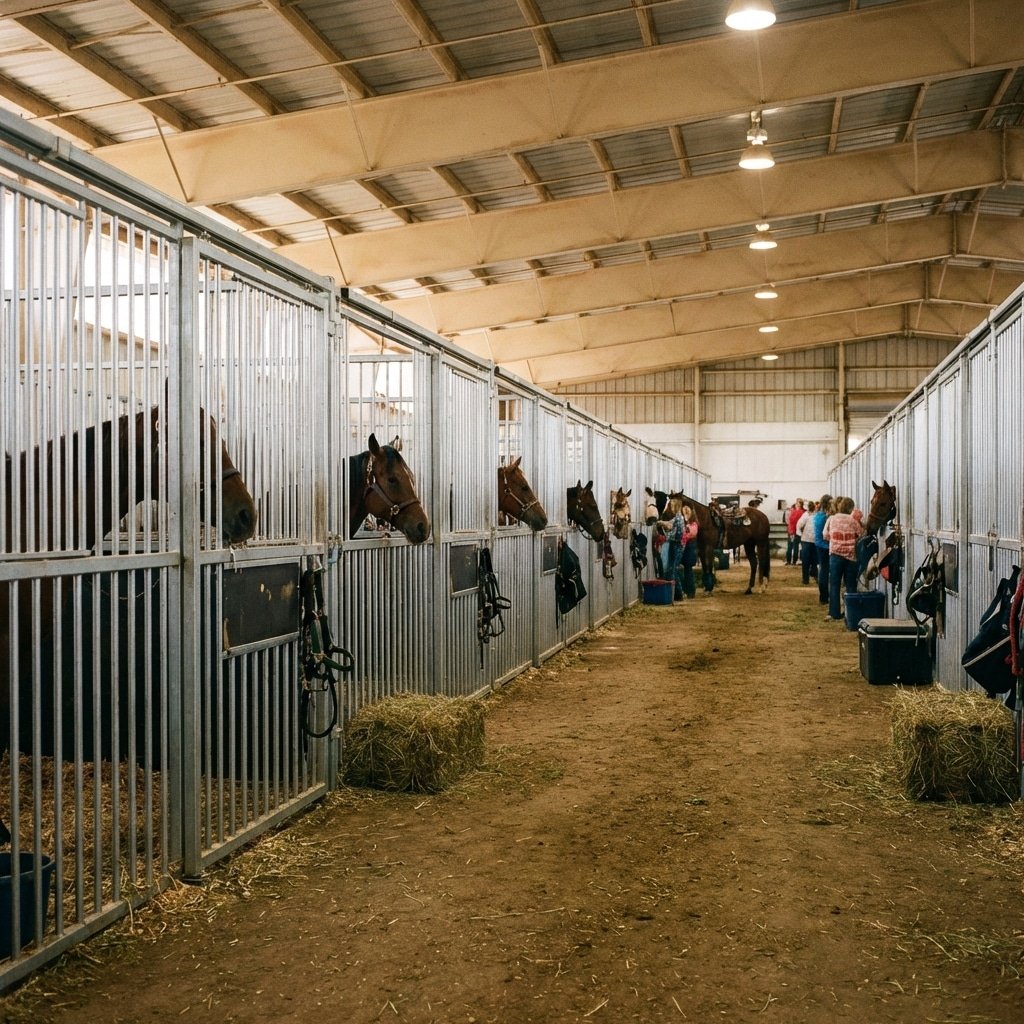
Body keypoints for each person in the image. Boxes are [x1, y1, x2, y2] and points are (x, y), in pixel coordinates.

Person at [823, 495, 864, 621]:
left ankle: (834, 613)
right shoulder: (853, 520)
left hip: (835, 555)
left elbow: (825, 535)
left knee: (835, 584)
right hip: (851, 556)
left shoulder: (832, 519)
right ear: (851, 508)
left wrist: (834, 541)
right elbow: (861, 534)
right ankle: (850, 614)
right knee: (850, 585)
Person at [658, 498, 686, 599]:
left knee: (673, 569)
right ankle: (678, 593)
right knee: (673, 569)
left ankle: (675, 594)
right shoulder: (679, 517)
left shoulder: (678, 518)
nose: (670, 508)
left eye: (671, 506)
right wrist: (661, 522)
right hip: (678, 545)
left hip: (676, 545)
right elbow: (670, 523)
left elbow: (671, 527)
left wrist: (660, 523)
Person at [813, 494, 833, 606]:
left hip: (819, 545)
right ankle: (826, 596)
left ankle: (823, 597)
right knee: (826, 571)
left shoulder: (817, 515)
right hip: (826, 545)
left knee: (823, 570)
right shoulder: (826, 517)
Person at [678, 504, 699, 599]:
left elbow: (689, 533)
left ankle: (690, 591)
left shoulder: (693, 524)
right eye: (684, 513)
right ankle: (687, 590)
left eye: (686, 513)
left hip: (689, 548)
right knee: (686, 570)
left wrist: (686, 521)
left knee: (688, 570)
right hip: (686, 548)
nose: (685, 514)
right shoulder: (685, 523)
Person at [796, 501, 818, 585]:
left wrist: (800, 534)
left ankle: (805, 579)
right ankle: (815, 577)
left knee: (806, 560)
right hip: (815, 540)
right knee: (814, 560)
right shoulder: (817, 515)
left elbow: (799, 525)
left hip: (806, 540)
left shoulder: (806, 515)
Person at [785, 499, 804, 565]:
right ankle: (794, 561)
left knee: (790, 546)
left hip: (792, 531)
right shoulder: (802, 513)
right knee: (796, 546)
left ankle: (788, 561)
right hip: (797, 532)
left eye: (797, 503)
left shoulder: (794, 512)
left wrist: (791, 531)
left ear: (798, 504)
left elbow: (791, 522)